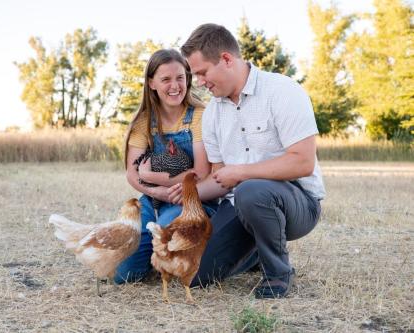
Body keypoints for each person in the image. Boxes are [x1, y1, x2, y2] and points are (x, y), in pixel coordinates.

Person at [168, 23, 326, 298]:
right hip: (242, 205)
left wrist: (241, 173)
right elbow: (220, 180)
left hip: (298, 203)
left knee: (251, 190)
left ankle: (278, 273)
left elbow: (303, 163)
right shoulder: (213, 114)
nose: (201, 82)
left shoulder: (283, 91)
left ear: (227, 59)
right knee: (192, 274)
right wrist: (186, 194)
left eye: (203, 73)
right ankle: (255, 252)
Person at [114, 49, 218, 284]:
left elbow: (200, 173)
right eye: (166, 79)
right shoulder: (143, 122)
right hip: (154, 199)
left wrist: (152, 177)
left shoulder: (200, 115)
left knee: (163, 232)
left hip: (190, 200)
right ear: (151, 83)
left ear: (188, 79)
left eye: (180, 77)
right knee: (124, 275)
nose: (175, 86)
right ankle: (151, 260)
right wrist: (156, 192)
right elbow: (132, 173)